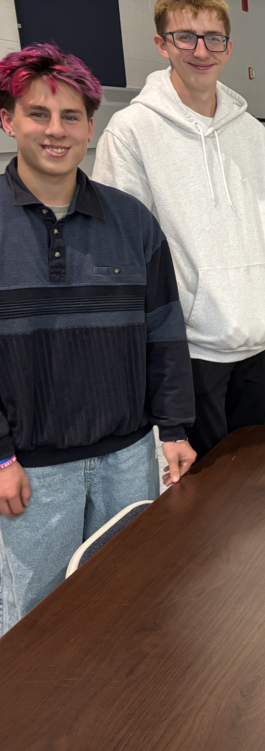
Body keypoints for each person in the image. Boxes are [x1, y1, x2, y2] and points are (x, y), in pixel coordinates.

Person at [0, 44, 195, 633]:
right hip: (31, 469)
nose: (55, 131)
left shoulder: (131, 221)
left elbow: (163, 332)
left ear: (91, 126)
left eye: (71, 117)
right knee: (35, 617)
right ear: (8, 119)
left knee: (132, 600)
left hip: (126, 457)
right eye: (38, 114)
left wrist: (176, 428)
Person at [93, 0, 265, 461]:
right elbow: (120, 250)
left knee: (250, 472)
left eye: (213, 38)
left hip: (257, 336)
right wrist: (168, 322)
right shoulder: (130, 132)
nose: (200, 50)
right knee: (203, 494)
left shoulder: (253, 135)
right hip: (187, 346)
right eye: (185, 36)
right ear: (161, 43)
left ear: (228, 47)